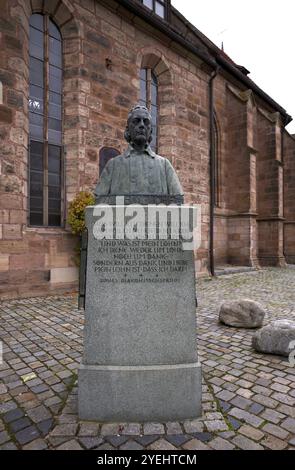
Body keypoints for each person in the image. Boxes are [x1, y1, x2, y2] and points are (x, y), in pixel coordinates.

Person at [94, 105, 183, 197]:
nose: (141, 125)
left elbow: (178, 198)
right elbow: (99, 200)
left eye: (146, 122)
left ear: (151, 130)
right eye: (136, 121)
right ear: (128, 130)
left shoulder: (164, 165)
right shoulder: (113, 165)